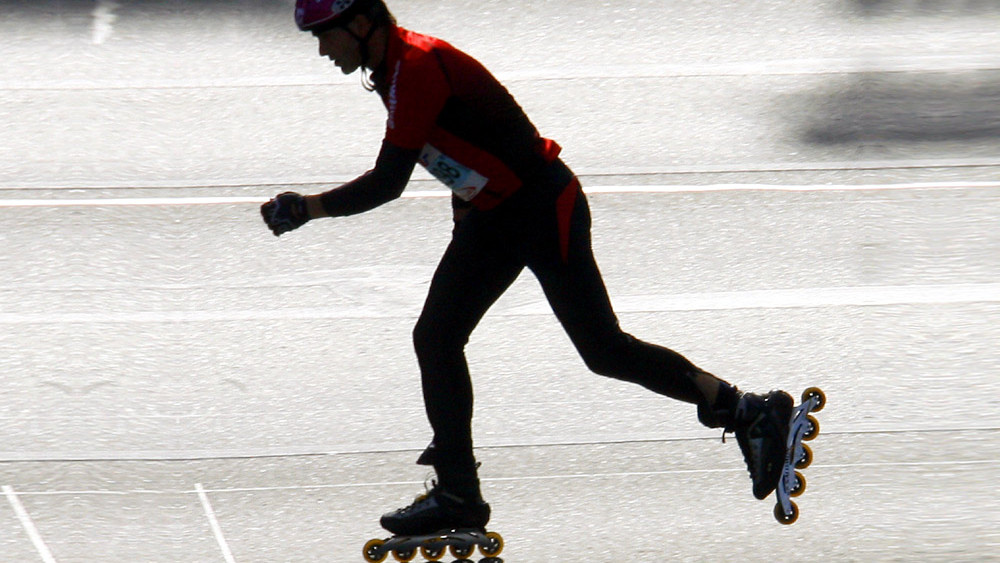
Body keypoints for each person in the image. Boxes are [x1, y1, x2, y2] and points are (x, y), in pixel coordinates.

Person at [262, 0, 795, 536]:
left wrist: (306, 208)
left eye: (324, 36)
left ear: (360, 24)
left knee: (603, 350)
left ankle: (745, 410)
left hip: (542, 209)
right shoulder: (394, 71)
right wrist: (463, 219)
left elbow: (387, 182)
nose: (323, 50)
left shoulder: (416, 67)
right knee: (436, 337)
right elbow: (458, 147)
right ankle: (458, 494)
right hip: (494, 214)